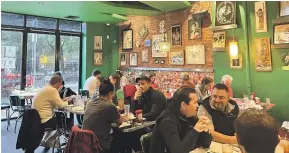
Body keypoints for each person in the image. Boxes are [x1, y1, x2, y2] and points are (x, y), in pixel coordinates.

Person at [150, 87, 212, 153]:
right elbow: (178, 151)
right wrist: (196, 130)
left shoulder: (189, 114)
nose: (197, 106)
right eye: (195, 102)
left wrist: (205, 130)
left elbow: (206, 144)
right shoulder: (167, 121)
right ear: (183, 105)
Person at [82, 79, 126, 153]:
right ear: (111, 93)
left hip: (85, 141)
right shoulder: (109, 106)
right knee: (123, 138)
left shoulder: (90, 103)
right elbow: (120, 122)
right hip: (99, 144)